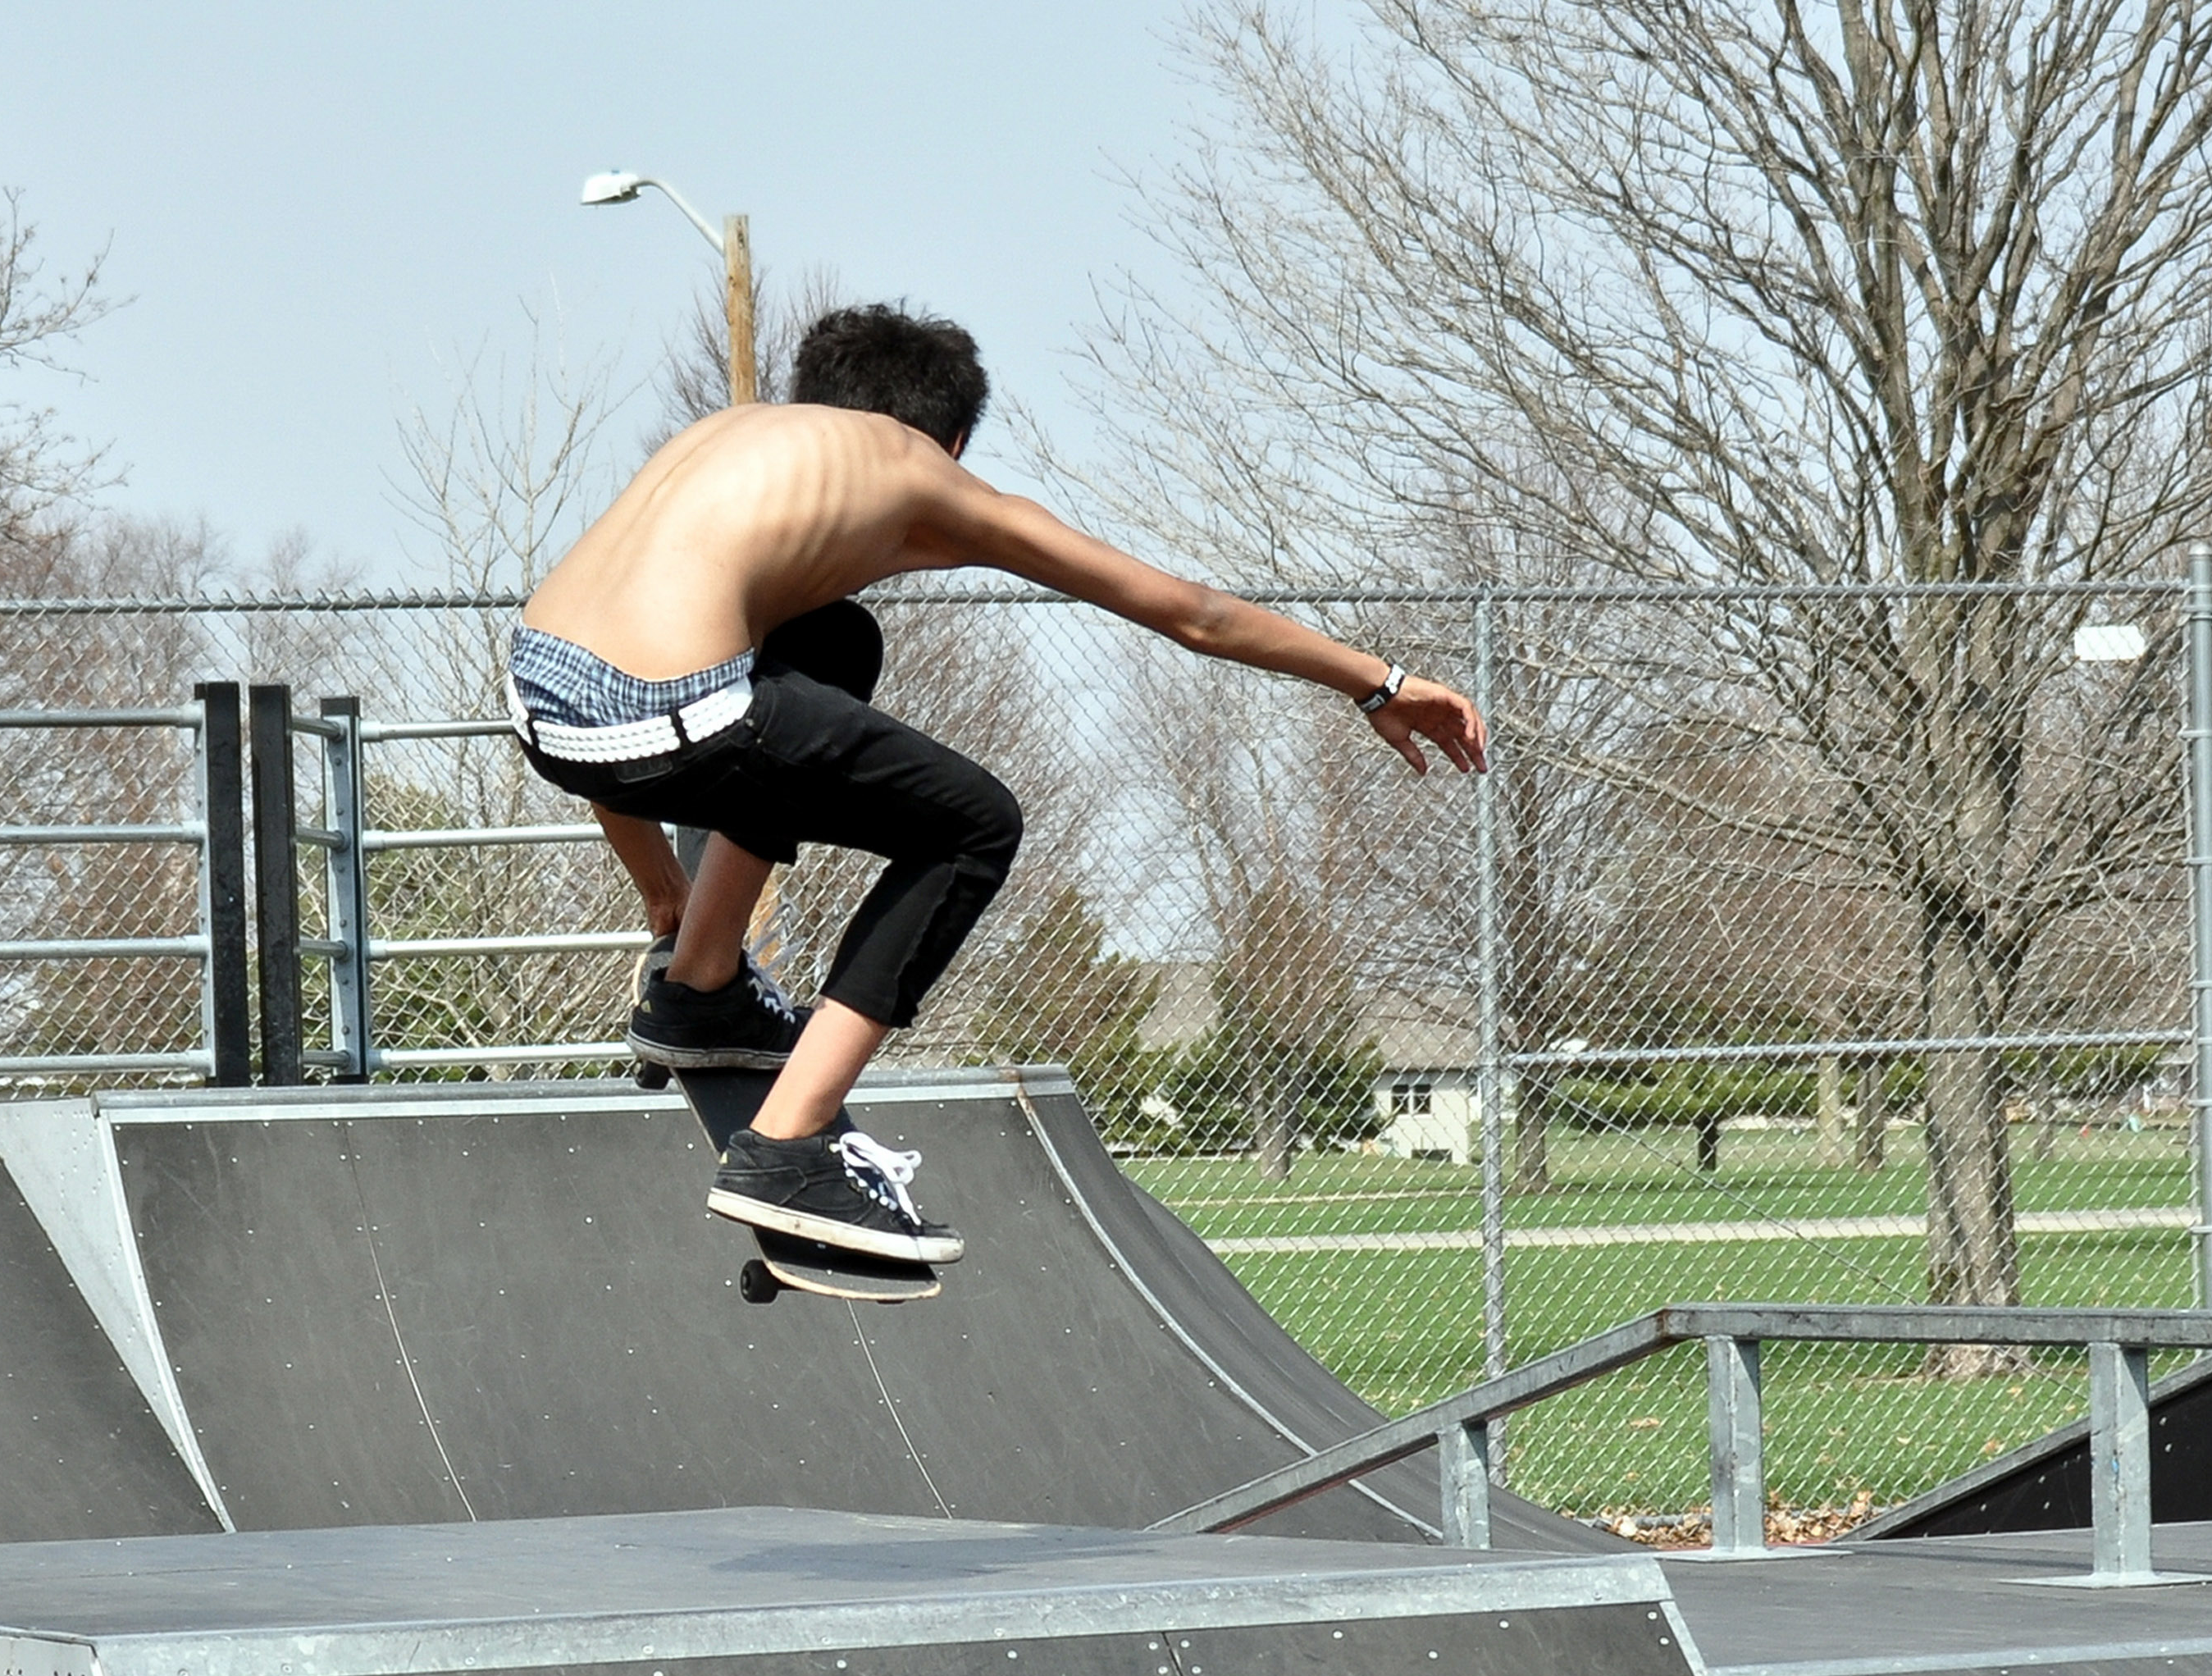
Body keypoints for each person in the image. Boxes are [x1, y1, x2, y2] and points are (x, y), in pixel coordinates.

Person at [511, 303, 1485, 1267]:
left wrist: (665, 897)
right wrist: (1377, 683)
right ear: (953, 440)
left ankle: (699, 981)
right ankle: (787, 1148)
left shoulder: (730, 438)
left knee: (835, 641)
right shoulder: (920, 472)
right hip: (671, 715)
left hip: (540, 697)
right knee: (972, 825)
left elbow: (601, 657)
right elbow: (1194, 614)